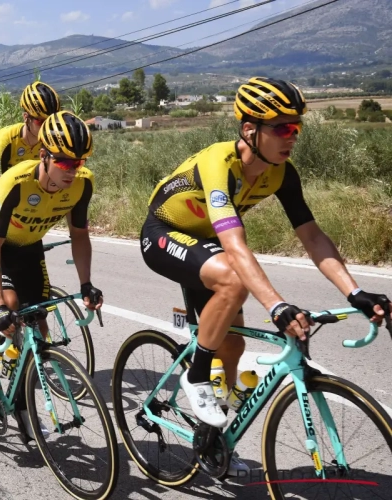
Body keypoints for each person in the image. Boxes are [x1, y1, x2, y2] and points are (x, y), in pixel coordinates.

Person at [141, 77, 391, 473]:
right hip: (164, 233)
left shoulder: (281, 172)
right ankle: (196, 375)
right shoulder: (218, 163)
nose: (292, 136)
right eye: (282, 128)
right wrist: (276, 306)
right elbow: (236, 245)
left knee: (234, 348)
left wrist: (355, 292)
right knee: (234, 279)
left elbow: (311, 235)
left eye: (297, 127)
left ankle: (213, 442)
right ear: (249, 130)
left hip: (207, 242)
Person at [0, 110, 103, 438]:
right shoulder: (16, 182)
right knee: (7, 303)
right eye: (64, 162)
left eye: (78, 162)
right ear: (43, 156)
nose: (72, 170)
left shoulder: (82, 184)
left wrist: (86, 283)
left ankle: (21, 400)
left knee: (38, 323)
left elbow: (80, 235)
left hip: (29, 247)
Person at [0, 82, 61, 211]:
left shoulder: (51, 141)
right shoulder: (4, 139)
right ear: (26, 117)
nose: (46, 127)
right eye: (40, 121)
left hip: (24, 188)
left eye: (50, 121)